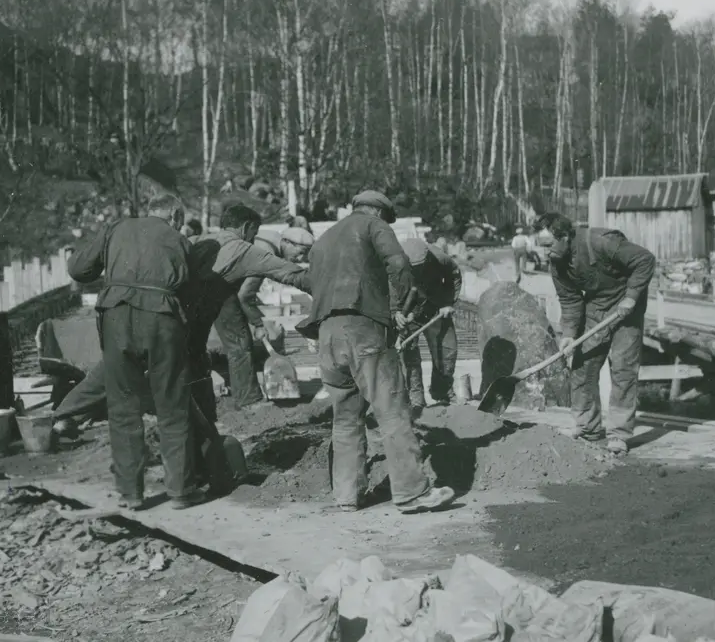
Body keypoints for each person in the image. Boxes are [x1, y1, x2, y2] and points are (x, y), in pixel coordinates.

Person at [297, 189, 455, 514]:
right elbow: (398, 263)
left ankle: (346, 496)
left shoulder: (325, 237)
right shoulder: (373, 225)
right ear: (380, 213)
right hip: (362, 329)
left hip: (327, 335)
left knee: (344, 418)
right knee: (393, 411)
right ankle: (412, 492)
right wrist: (402, 305)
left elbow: (311, 281)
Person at [66, 194, 206, 511]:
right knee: (172, 403)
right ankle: (181, 491)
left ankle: (131, 493)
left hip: (115, 316)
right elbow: (193, 295)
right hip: (162, 319)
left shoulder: (117, 228)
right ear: (177, 217)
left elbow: (78, 269)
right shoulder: (180, 241)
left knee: (122, 406)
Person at [539, 212, 656, 455]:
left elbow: (644, 260)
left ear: (564, 238)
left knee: (623, 369)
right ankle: (588, 427)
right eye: (541, 247)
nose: (545, 253)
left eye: (548, 245)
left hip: (626, 307)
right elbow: (570, 300)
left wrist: (632, 297)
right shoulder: (556, 264)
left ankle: (619, 434)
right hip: (597, 307)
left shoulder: (601, 241)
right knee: (583, 366)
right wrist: (569, 333)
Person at [195, 205, 312, 411]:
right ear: (246, 227)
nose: (253, 238)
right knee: (240, 344)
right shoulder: (245, 249)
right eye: (253, 233)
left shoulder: (206, 239)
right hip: (215, 294)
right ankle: (248, 400)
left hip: (202, 295)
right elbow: (278, 276)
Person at [398, 238, 462, 414]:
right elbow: (384, 291)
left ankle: (441, 392)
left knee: (447, 349)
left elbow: (454, 276)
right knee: (409, 352)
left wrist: (449, 302)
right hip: (407, 308)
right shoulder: (390, 262)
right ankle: (416, 398)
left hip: (437, 306)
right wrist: (396, 314)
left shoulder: (440, 258)